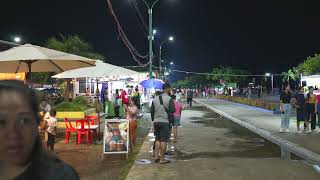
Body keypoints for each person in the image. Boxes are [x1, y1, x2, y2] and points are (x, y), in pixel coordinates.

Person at [0, 80, 79, 180]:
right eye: (1, 122)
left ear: (36, 124)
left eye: (24, 120)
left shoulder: (61, 176)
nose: (13, 133)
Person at [151, 83, 175, 164]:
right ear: (168, 89)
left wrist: (153, 122)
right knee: (164, 140)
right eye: (170, 89)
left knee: (158, 139)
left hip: (156, 122)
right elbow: (172, 110)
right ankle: (162, 159)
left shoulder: (155, 98)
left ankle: (156, 156)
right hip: (165, 122)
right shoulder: (169, 98)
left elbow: (152, 112)